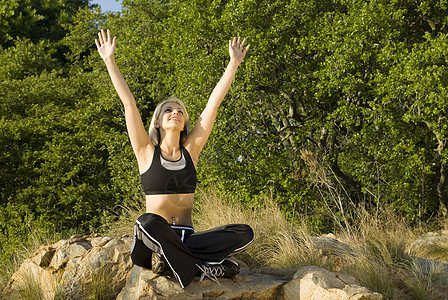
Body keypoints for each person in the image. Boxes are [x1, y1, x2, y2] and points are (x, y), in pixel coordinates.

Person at [95, 29, 254, 288]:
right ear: (157, 121)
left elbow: (213, 105)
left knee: (244, 232)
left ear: (185, 123)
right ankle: (202, 266)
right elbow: (129, 105)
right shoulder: (146, 151)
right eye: (168, 110)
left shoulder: (191, 150)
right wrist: (109, 61)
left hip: (187, 238)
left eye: (180, 111)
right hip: (151, 239)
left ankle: (181, 263)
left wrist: (233, 64)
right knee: (146, 221)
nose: (175, 112)